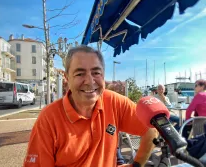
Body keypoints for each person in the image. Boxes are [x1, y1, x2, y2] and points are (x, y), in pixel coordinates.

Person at [23, 45, 158, 167]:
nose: (89, 81)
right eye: (80, 74)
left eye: (96, 73)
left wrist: (136, 165)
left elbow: (151, 130)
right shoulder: (48, 119)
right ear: (67, 78)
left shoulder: (115, 102)